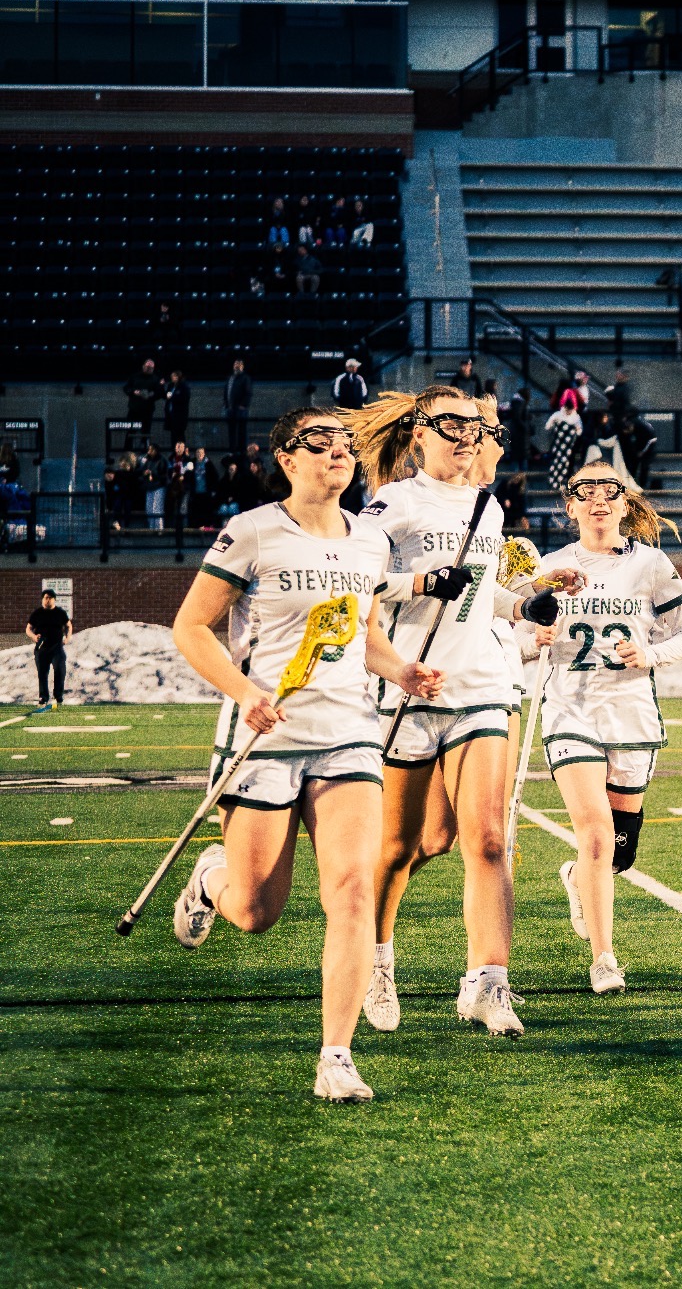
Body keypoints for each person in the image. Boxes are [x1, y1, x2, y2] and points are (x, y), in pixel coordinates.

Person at [168, 406, 443, 1101]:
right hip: (265, 736)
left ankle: (337, 1056)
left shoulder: (371, 541)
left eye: (344, 442)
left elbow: (362, 634)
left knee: (352, 890)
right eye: (318, 442)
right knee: (257, 911)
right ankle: (211, 878)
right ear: (286, 458)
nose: (336, 451)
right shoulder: (252, 530)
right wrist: (243, 690)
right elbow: (191, 627)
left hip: (349, 734)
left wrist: (402, 671)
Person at [344, 386, 579, 1040]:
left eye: (475, 425)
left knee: (490, 837)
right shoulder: (392, 504)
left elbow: (480, 594)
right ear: (419, 432)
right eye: (452, 423)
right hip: (414, 691)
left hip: (479, 684)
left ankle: (488, 981)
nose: (467, 434)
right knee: (400, 846)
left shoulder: (488, 506)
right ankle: (377, 958)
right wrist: (417, 583)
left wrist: (526, 602)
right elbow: (356, 585)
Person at [538, 463, 682, 991]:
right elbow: (514, 636)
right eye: (585, 493)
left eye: (610, 492)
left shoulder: (651, 564)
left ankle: (578, 879)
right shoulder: (549, 567)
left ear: (625, 503)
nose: (598, 501)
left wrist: (649, 653)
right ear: (570, 505)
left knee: (619, 851)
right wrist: (531, 639)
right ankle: (604, 958)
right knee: (595, 834)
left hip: (630, 714)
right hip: (570, 708)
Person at [26, 588, 70, 713]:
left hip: (57, 647)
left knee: (60, 670)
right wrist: (34, 637)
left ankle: (58, 697)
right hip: (42, 648)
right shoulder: (37, 613)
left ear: (54, 599)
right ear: (42, 599)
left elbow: (68, 625)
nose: (48, 600)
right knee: (42, 673)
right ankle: (43, 697)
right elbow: (28, 629)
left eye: (50, 598)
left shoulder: (60, 613)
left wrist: (67, 638)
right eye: (46, 597)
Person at [544, 396, 583, 491]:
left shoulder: (576, 417)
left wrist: (571, 434)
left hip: (568, 446)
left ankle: (562, 482)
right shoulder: (557, 415)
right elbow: (547, 426)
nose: (568, 412)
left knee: (565, 464)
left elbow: (579, 431)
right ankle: (554, 482)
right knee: (556, 462)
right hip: (558, 444)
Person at [619, 415, 658, 492]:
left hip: (649, 446)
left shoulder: (643, 428)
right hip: (641, 444)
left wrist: (642, 451)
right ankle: (632, 482)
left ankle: (642, 485)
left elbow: (651, 440)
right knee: (633, 465)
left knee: (644, 466)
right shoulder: (632, 424)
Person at [225, 359, 253, 455]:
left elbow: (248, 393)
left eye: (239, 364)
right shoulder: (231, 378)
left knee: (241, 430)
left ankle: (242, 451)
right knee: (231, 430)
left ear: (242, 366)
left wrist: (243, 405)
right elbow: (227, 392)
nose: (237, 366)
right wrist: (226, 404)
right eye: (235, 364)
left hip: (240, 410)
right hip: (230, 409)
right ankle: (232, 450)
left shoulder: (245, 378)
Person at [125, 359, 163, 431]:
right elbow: (127, 388)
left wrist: (150, 395)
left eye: (151, 367)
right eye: (147, 366)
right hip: (134, 409)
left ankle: (144, 442)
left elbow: (159, 393)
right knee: (130, 432)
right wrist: (134, 392)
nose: (149, 369)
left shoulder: (156, 379)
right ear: (143, 366)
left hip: (147, 410)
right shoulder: (134, 377)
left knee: (146, 431)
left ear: (153, 368)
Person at [163, 369, 192, 445]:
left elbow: (184, 398)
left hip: (179, 416)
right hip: (171, 415)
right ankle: (174, 451)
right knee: (173, 435)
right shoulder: (171, 386)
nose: (172, 378)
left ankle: (181, 452)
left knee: (179, 435)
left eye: (174, 376)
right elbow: (166, 395)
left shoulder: (184, 386)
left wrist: (172, 397)